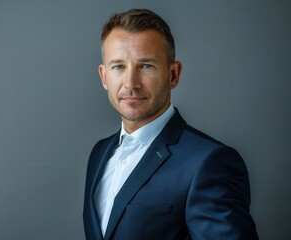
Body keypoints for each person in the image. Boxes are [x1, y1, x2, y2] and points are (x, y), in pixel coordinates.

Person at [83, 8, 258, 240]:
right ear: (104, 77)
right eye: (118, 66)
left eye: (146, 66)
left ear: (173, 75)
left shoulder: (209, 162)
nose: (131, 83)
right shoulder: (99, 153)